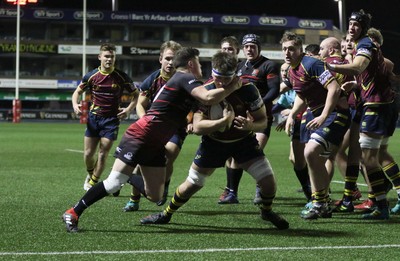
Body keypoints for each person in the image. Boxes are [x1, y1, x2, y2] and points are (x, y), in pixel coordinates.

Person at [62, 47, 243, 232]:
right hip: (142, 135)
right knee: (114, 181)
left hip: (156, 143)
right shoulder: (182, 77)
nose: (201, 67)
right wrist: (233, 86)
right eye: (198, 63)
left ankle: (130, 178)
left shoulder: (192, 83)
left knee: (156, 196)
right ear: (191, 64)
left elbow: (203, 106)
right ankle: (73, 212)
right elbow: (207, 97)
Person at [139, 51, 289, 230]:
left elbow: (262, 120)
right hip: (213, 144)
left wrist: (250, 126)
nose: (223, 83)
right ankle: (166, 214)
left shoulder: (248, 89)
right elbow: (198, 126)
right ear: (213, 73)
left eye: (228, 78)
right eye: (219, 78)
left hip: (244, 143)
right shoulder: (206, 91)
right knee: (193, 184)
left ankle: (266, 211)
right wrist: (222, 122)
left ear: (235, 74)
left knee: (269, 183)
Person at [326, 10, 399, 219]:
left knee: (368, 159)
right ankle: (382, 201)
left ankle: (381, 206)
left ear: (364, 28)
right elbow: (370, 72)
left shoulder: (365, 44)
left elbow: (358, 67)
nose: (351, 28)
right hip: (382, 105)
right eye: (350, 23)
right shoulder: (365, 44)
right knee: (379, 155)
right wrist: (357, 85)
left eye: (356, 24)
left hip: (375, 107)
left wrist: (331, 65)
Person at [281, 32, 351, 220]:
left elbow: (334, 88)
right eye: (284, 49)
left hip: (335, 112)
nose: (287, 52)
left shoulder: (312, 63)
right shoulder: (290, 70)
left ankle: (321, 202)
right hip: (315, 113)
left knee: (311, 152)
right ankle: (323, 202)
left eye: (291, 49)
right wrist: (292, 115)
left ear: (300, 49)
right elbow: (302, 96)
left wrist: (324, 115)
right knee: (313, 158)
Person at [219, 33, 280, 204]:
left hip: (261, 118)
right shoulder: (238, 66)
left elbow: (274, 90)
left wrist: (256, 106)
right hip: (240, 118)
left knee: (255, 153)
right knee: (233, 155)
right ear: (242, 49)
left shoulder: (269, 65)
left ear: (259, 47)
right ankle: (231, 192)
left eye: (253, 46)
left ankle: (260, 189)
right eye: (246, 46)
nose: (249, 49)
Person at [123, 40, 184, 211]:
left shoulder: (185, 80)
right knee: (139, 161)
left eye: (174, 59)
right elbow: (141, 104)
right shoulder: (153, 79)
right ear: (160, 59)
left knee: (169, 154)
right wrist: (145, 121)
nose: (171, 63)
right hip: (152, 125)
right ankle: (134, 199)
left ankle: (164, 184)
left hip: (174, 127)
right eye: (168, 58)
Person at [71, 43, 139, 192]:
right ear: (100, 57)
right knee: (88, 154)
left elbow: (136, 95)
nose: (109, 59)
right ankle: (91, 174)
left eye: (112, 57)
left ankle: (93, 182)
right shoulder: (91, 76)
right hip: (94, 118)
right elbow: (77, 92)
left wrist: (128, 110)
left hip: (111, 120)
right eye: (107, 56)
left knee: (103, 152)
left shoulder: (122, 77)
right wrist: (75, 104)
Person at [274, 63, 311, 202]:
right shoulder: (286, 90)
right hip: (297, 123)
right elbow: (278, 106)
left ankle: (318, 192)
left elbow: (307, 100)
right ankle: (311, 191)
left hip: (308, 122)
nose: (283, 73)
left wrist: (291, 113)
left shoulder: (300, 82)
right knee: (295, 159)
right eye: (281, 70)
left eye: (286, 70)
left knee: (311, 157)